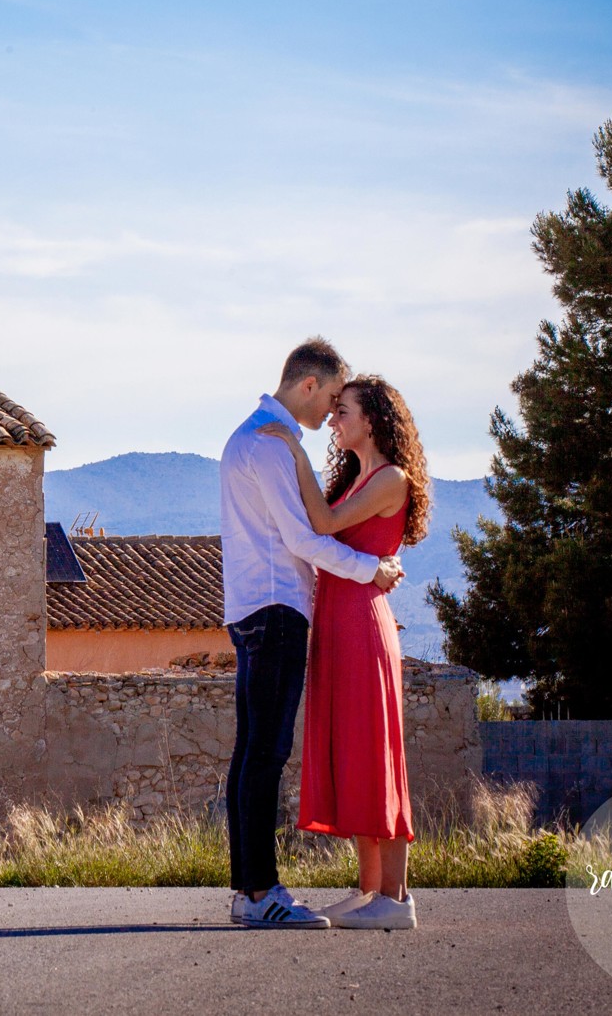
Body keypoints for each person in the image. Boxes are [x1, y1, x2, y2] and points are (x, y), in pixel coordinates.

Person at [221, 338, 403, 929]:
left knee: (252, 753)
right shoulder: (273, 446)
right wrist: (371, 570)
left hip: (252, 609)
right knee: (265, 754)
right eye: (329, 398)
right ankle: (261, 894)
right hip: (276, 611)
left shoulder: (247, 437)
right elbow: (305, 538)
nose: (330, 413)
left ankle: (248, 891)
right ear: (307, 385)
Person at [259, 373, 432, 931]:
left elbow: (324, 524)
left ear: (374, 420)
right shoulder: (360, 478)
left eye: (344, 412)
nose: (333, 421)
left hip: (361, 623)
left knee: (374, 750)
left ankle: (396, 897)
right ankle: (370, 891)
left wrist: (294, 451)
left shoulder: (391, 478)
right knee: (354, 751)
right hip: (337, 621)